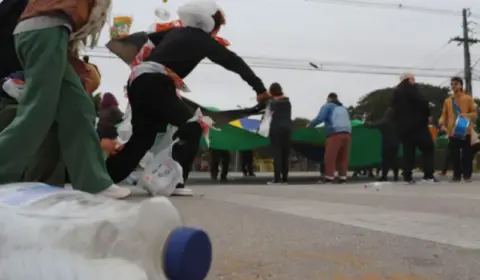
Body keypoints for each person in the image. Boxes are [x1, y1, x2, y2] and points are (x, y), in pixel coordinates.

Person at [106, 1, 270, 196]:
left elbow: (146, 37)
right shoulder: (203, 40)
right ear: (212, 25)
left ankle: (103, 179)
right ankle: (175, 182)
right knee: (192, 127)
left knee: (143, 138)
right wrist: (260, 89)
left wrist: (124, 39)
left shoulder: (175, 32)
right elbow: (234, 62)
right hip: (156, 82)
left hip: (138, 81)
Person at [0, 0, 131, 198]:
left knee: (78, 108)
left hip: (50, 31)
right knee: (38, 110)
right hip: (44, 29)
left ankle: (93, 182)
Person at [391, 73, 437, 184]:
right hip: (419, 127)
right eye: (412, 79)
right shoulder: (414, 91)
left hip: (404, 129)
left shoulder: (396, 93)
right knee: (428, 149)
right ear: (407, 80)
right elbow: (424, 103)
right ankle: (428, 175)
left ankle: (407, 177)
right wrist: (427, 116)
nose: (414, 81)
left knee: (408, 152)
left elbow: (393, 110)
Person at [438, 77, 477, 182]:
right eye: (452, 84)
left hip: (464, 129)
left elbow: (474, 113)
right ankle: (456, 175)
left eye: (455, 84)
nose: (453, 86)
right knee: (454, 154)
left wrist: (466, 114)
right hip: (452, 131)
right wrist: (441, 122)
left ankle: (467, 175)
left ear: (461, 85)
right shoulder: (448, 101)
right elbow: (444, 115)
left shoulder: (468, 98)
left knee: (466, 154)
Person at [309, 93, 351, 183]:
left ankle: (329, 177)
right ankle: (343, 177)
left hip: (335, 134)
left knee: (330, 157)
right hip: (347, 134)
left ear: (329, 98)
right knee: (343, 157)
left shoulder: (328, 106)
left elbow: (320, 118)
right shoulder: (344, 108)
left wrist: (310, 125)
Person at [365, 108, 400, 181]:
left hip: (387, 142)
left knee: (386, 160)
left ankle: (384, 176)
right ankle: (396, 176)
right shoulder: (397, 123)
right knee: (394, 159)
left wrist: (366, 122)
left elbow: (371, 125)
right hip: (396, 143)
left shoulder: (384, 122)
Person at [267, 82, 292, 185]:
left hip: (276, 129)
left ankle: (277, 179)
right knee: (285, 155)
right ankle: (285, 179)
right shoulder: (288, 102)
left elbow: (267, 115)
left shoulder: (272, 103)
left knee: (277, 154)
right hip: (287, 130)